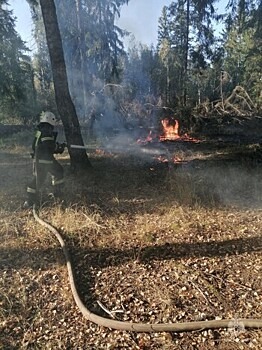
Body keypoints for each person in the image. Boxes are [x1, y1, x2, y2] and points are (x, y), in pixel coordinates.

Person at [23, 111, 66, 208]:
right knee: (57, 172)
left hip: (41, 159)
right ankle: (56, 195)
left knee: (40, 178)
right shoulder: (46, 129)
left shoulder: (41, 130)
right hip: (45, 160)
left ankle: (30, 201)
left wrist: (58, 147)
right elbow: (49, 145)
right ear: (51, 120)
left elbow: (39, 145)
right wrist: (59, 147)